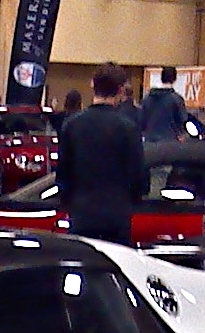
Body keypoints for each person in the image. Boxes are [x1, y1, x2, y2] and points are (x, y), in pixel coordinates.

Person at [55, 62, 146, 245]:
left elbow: (63, 175)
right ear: (121, 91)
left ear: (92, 85)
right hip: (116, 218)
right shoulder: (129, 128)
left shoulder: (72, 125)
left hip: (82, 216)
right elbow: (140, 179)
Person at [140, 66, 189, 143]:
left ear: (161, 77)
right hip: (170, 144)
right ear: (175, 79)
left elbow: (141, 121)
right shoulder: (177, 99)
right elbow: (183, 122)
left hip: (149, 144)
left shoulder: (147, 98)